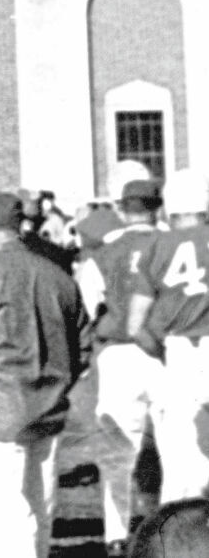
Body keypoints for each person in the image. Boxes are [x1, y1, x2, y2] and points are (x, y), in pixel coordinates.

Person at [0, 192, 93, 558]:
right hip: (49, 408)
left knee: (6, 513)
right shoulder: (58, 277)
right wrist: (58, 383)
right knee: (41, 509)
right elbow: (83, 345)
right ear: (22, 227)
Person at [73, 178, 164, 556]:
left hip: (116, 353)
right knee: (175, 447)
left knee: (116, 451)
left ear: (123, 210)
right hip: (164, 350)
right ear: (157, 206)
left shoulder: (103, 253)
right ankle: (172, 531)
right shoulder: (173, 244)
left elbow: (89, 306)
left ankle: (116, 535)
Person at [127, 168, 209, 506]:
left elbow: (135, 325)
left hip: (177, 351)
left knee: (179, 456)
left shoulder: (156, 245)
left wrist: (162, 352)